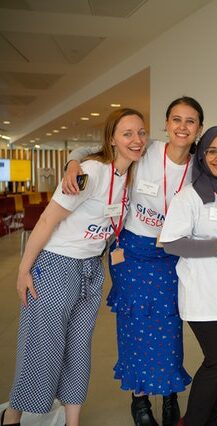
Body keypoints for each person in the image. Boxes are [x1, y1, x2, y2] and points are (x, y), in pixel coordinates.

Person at [2, 108, 147, 426]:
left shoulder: (131, 175)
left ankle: (73, 422)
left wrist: (74, 158)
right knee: (43, 343)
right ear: (112, 139)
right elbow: (46, 220)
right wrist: (24, 270)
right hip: (56, 263)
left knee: (80, 347)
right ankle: (12, 416)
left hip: (92, 269)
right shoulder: (91, 172)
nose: (136, 140)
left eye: (141, 132)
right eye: (127, 133)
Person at [63, 97, 204, 426]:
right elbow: (92, 151)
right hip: (133, 252)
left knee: (169, 326)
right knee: (135, 327)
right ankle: (139, 399)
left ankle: (169, 396)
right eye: (176, 120)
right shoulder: (147, 149)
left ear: (199, 128)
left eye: (191, 121)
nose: (183, 127)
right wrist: (72, 162)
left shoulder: (200, 165)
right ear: (166, 124)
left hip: (171, 253)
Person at [160, 126, 217, 426]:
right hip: (204, 294)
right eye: (212, 150)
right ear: (202, 154)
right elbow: (171, 242)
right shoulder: (190, 196)